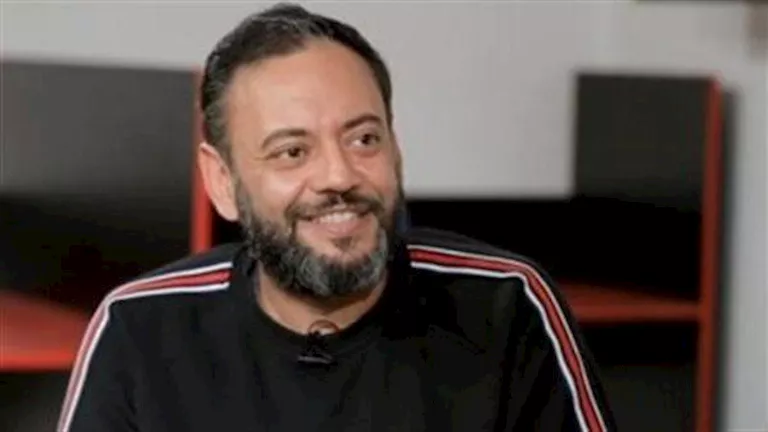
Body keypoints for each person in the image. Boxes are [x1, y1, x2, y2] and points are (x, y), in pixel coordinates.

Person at [57, 3, 616, 431]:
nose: (339, 176)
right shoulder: (139, 330)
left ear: (396, 149)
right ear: (222, 182)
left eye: (364, 139)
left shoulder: (508, 306)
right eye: (292, 151)